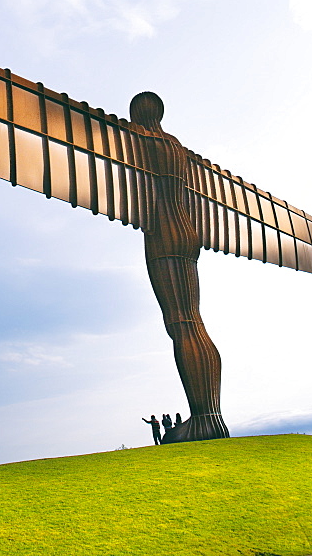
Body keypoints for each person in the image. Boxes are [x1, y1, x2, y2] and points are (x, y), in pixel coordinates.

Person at [130, 92, 230, 443]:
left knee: (180, 322)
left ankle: (204, 420)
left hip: (161, 229)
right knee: (192, 319)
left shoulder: (135, 137)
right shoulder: (178, 147)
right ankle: (211, 416)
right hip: (187, 229)